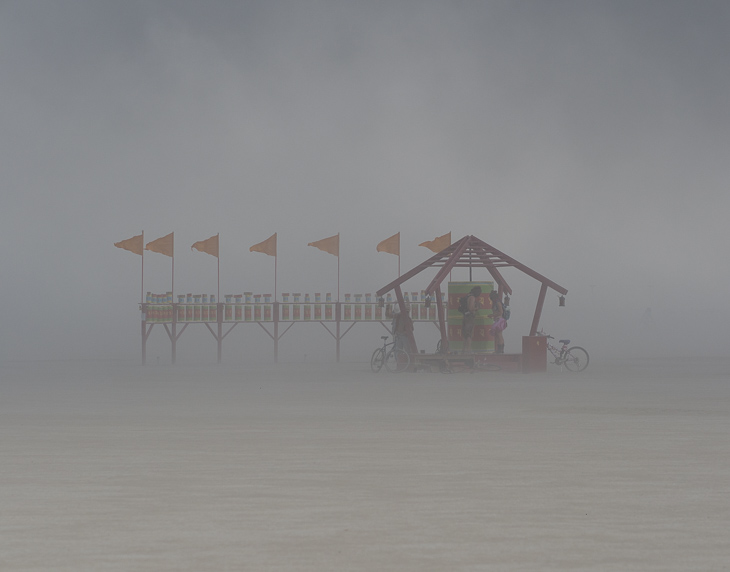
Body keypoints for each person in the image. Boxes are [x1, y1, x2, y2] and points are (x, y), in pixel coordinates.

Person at [462, 286, 481, 354]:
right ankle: (469, 350)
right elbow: (470, 308)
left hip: (465, 316)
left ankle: (463, 350)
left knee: (465, 334)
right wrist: (477, 308)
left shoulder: (468, 296)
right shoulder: (472, 297)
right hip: (469, 317)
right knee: (469, 334)